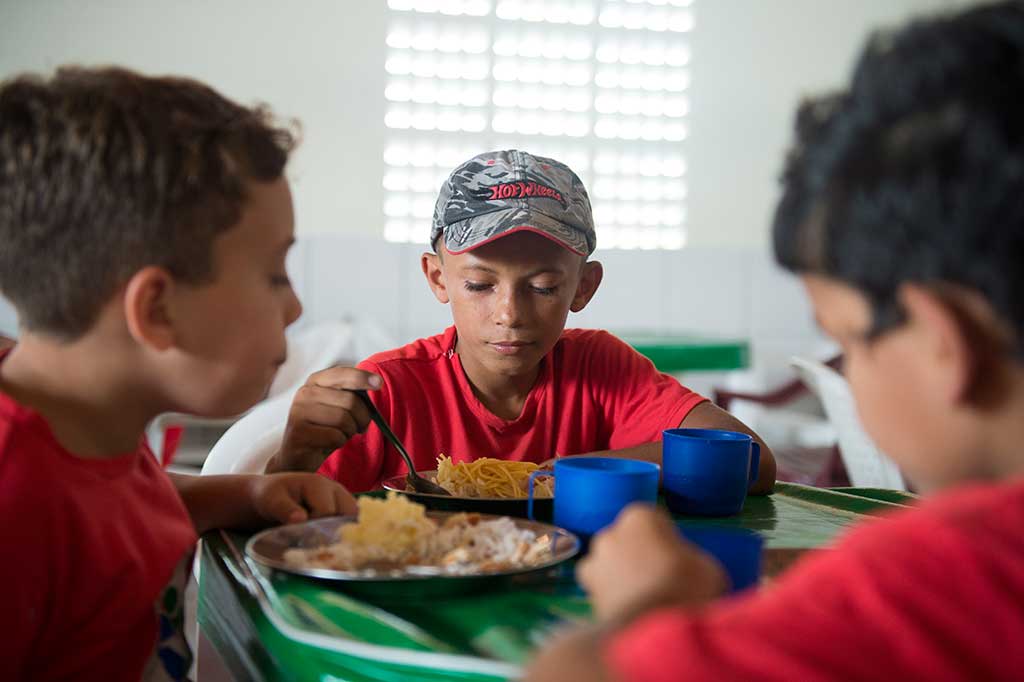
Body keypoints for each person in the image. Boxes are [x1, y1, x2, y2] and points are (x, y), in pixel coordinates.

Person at [526, 2, 1024, 680]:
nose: (511, 310)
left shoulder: (944, 577)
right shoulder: (394, 376)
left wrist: (651, 606)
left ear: (944, 343)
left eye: (846, 341)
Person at [0, 67, 357, 681]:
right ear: (157, 310)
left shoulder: (88, 427)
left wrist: (242, 495)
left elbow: (112, 495)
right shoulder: (15, 507)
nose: (295, 308)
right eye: (274, 275)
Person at [266, 149, 776, 494]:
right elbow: (287, 518)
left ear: (583, 287)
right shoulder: (388, 391)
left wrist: (572, 473)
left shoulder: (601, 369)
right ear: (438, 278)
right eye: (479, 285)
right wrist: (294, 454)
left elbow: (751, 459)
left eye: (543, 288)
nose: (509, 314)